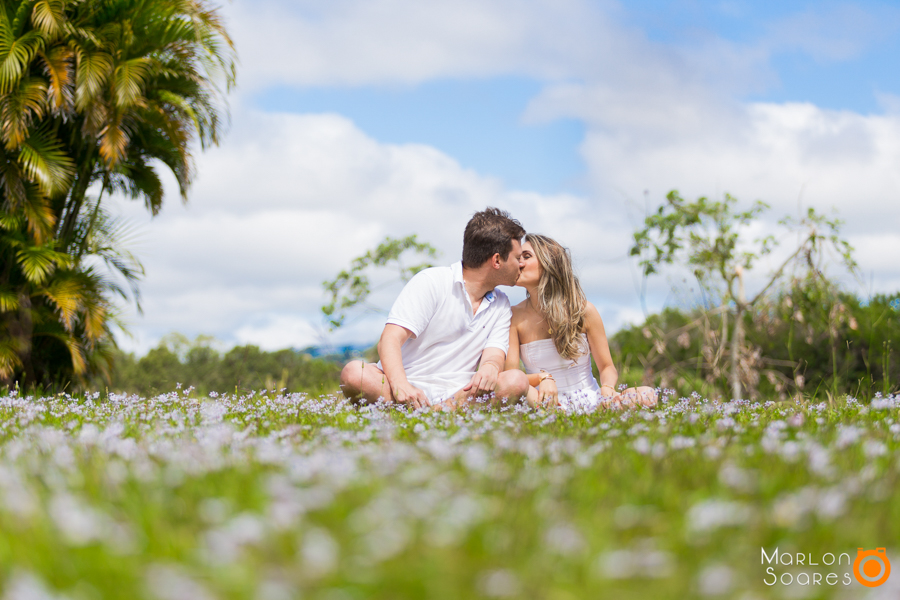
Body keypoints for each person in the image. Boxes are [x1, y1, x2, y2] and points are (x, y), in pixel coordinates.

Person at [340, 208, 530, 409]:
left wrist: (490, 368)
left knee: (516, 380)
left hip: (462, 392)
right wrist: (400, 385)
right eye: (518, 258)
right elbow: (390, 339)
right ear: (497, 260)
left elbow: (494, 353)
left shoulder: (501, 303)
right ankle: (423, 408)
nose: (522, 264)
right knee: (354, 373)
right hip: (405, 383)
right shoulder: (432, 281)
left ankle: (433, 410)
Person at [504, 233, 658, 411]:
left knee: (647, 394)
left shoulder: (584, 311)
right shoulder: (514, 316)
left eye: (526, 256)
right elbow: (512, 377)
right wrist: (542, 378)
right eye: (517, 257)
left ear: (548, 263)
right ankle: (556, 415)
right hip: (543, 403)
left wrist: (607, 389)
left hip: (592, 400)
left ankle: (600, 411)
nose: (518, 262)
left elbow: (607, 367)